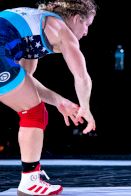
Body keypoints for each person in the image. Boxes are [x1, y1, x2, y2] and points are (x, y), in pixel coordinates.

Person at [0, 0, 97, 195]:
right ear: (77, 18)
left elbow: (23, 81)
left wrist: (60, 101)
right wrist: (85, 107)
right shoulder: (60, 29)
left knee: (33, 108)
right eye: (87, 25)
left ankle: (32, 174)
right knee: (34, 114)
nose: (86, 32)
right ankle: (30, 180)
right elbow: (81, 76)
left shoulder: (32, 28)